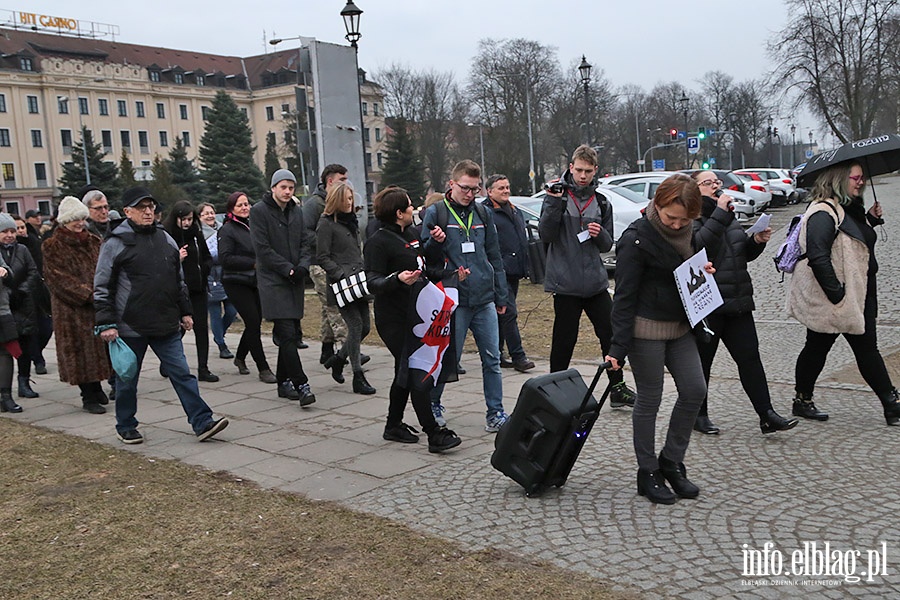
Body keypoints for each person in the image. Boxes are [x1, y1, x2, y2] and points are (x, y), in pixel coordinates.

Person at [605, 174, 716, 505]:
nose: (678, 224)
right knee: (649, 399)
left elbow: (688, 271)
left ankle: (672, 461)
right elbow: (623, 297)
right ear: (657, 204)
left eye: (685, 219)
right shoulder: (635, 239)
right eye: (671, 217)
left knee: (695, 389)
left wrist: (705, 272)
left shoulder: (690, 232)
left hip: (681, 327)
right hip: (645, 330)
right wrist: (617, 349)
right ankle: (648, 471)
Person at [94, 186, 229, 444]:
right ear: (127, 212)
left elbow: (177, 279)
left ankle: (202, 422)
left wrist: (186, 311)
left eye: (151, 207)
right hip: (130, 325)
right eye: (141, 207)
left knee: (182, 374)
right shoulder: (115, 243)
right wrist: (106, 323)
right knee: (127, 379)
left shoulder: (165, 238)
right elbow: (102, 286)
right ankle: (126, 424)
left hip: (166, 323)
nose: (148, 212)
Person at [787, 161, 900, 426]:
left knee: (836, 347)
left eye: (862, 178)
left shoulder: (848, 208)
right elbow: (818, 255)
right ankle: (891, 403)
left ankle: (803, 399)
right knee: (840, 347)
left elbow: (852, 240)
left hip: (861, 289)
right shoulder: (822, 212)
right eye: (856, 178)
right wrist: (838, 295)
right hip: (839, 295)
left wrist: (869, 219)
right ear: (839, 178)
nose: (860, 182)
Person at [689, 171, 799, 435]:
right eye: (708, 183)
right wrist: (719, 213)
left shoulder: (727, 216)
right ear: (694, 189)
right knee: (702, 363)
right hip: (709, 303)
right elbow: (699, 247)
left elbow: (740, 254)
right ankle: (698, 414)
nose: (716, 185)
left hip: (738, 301)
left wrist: (756, 242)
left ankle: (767, 415)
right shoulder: (692, 216)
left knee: (750, 359)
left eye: (717, 182)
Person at [364, 186, 462, 452]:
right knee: (417, 369)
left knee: (404, 371)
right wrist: (396, 279)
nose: (413, 209)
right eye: (409, 206)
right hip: (394, 319)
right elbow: (372, 281)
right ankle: (433, 433)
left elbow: (423, 269)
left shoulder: (410, 233)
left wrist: (449, 274)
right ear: (398, 213)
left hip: (417, 314)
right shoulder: (378, 241)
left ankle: (393, 425)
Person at [539, 145, 636, 407]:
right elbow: (545, 235)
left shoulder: (602, 201)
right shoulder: (557, 196)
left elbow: (607, 245)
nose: (582, 176)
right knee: (563, 342)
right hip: (566, 283)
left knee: (611, 336)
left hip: (595, 283)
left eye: (588, 171)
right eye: (578, 170)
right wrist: (552, 202)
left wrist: (599, 234)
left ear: (595, 172)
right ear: (571, 168)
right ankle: (552, 392)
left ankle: (617, 388)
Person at [421, 159, 510, 432]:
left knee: (492, 359)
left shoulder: (483, 214)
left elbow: (494, 255)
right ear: (452, 184)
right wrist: (434, 242)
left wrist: (501, 295)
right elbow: (425, 256)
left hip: (484, 297)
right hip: (453, 299)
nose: (470, 194)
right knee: (449, 358)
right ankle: (434, 404)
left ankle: (495, 412)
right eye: (465, 188)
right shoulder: (436, 213)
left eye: (475, 188)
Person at [250, 169, 316, 405]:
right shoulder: (259, 211)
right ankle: (301, 383)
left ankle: (282, 382)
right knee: (287, 333)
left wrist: (302, 267)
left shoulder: (296, 212)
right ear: (273, 188)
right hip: (273, 280)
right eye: (283, 187)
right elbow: (262, 248)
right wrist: (287, 268)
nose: (287, 192)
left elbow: (305, 243)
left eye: (291, 188)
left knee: (288, 333)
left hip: (294, 279)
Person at [42, 197, 112, 414]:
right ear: (64, 222)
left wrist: (103, 292)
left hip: (96, 306)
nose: (80, 223)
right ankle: (87, 395)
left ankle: (97, 385)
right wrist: (87, 294)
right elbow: (57, 278)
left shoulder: (93, 241)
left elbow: (104, 267)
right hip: (71, 310)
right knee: (80, 353)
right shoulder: (52, 246)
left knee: (98, 350)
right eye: (74, 220)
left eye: (82, 219)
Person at [316, 181, 376, 395]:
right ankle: (358, 376)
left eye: (351, 199)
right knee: (356, 326)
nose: (350, 203)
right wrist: (339, 273)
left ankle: (338, 359)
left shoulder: (351, 221)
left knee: (366, 327)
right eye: (346, 199)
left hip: (358, 281)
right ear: (336, 200)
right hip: (342, 284)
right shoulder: (326, 223)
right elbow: (322, 256)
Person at [218, 192, 276, 384]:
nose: (244, 207)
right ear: (231, 209)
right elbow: (225, 258)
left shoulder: (253, 225)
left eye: (246, 204)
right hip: (235, 281)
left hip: (254, 281)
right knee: (252, 321)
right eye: (239, 205)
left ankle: (240, 357)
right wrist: (252, 263)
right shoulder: (227, 230)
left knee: (255, 321)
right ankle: (263, 367)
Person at [482, 174, 535, 373]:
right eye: (500, 188)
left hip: (514, 271)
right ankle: (518, 356)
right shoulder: (487, 212)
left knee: (502, 314)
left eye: (507, 187)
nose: (505, 191)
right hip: (499, 271)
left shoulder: (514, 210)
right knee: (509, 312)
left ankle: (496, 352)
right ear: (489, 191)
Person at [162, 201, 219, 383]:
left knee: (201, 328)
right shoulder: (167, 236)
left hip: (198, 289)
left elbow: (207, 256)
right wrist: (176, 259)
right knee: (180, 328)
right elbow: (161, 265)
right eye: (183, 219)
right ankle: (168, 361)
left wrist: (205, 268)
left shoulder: (196, 234)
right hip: (178, 291)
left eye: (189, 219)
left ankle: (203, 367)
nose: (186, 223)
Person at [303, 164, 350, 367]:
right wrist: (327, 243)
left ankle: (326, 349)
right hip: (319, 263)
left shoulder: (333, 203)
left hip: (334, 261)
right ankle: (348, 348)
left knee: (326, 307)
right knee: (334, 306)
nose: (345, 183)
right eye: (342, 179)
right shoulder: (314, 204)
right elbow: (306, 233)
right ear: (330, 181)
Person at [0, 214, 41, 400]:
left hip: (24, 304)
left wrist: (22, 290)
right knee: (6, 348)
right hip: (4, 305)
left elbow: (33, 272)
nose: (9, 235)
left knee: (25, 346)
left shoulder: (22, 250)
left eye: (12, 231)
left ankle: (24, 381)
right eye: (4, 231)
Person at [198, 202, 237, 360]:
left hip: (227, 275)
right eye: (205, 213)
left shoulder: (223, 229)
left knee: (231, 311)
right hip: (210, 277)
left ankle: (219, 333)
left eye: (211, 212)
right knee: (214, 312)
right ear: (200, 217)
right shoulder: (199, 233)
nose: (210, 216)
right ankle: (221, 344)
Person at [15, 214, 52, 376]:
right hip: (20, 297)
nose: (20, 231)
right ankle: (37, 360)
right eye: (16, 229)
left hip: (39, 293)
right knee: (30, 333)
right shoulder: (10, 249)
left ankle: (36, 354)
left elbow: (39, 267)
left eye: (22, 227)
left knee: (46, 328)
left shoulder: (33, 242)